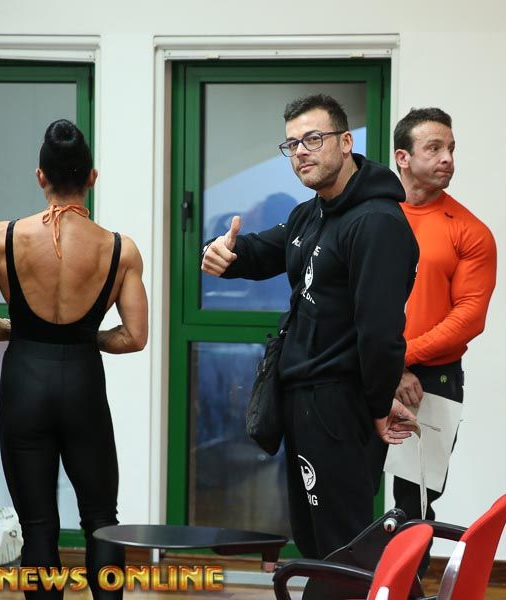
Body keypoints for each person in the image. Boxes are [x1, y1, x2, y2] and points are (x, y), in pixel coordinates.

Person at [201, 94, 419, 559]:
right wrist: (222, 251)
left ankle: (355, 589)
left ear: (346, 142)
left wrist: (379, 404)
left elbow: (380, 332)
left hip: (339, 403)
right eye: (292, 144)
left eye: (313, 139)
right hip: (303, 399)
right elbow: (263, 250)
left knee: (340, 542)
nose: (301, 151)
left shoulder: (377, 222)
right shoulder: (312, 212)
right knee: (313, 538)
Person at [0, 119, 148, 599]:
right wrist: (84, 338)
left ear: (40, 176)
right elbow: (134, 337)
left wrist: (17, 329)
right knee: (102, 519)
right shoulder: (120, 249)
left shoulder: (3, 239)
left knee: (38, 525)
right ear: (92, 177)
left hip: (25, 385)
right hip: (83, 385)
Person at [390, 107, 496, 570]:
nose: (448, 158)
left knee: (413, 502)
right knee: (348, 490)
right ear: (403, 157)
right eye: (434, 148)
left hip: (432, 380)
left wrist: (400, 359)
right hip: (361, 368)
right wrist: (387, 364)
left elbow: (469, 317)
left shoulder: (469, 230)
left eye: (451, 148)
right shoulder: (371, 218)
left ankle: (405, 590)